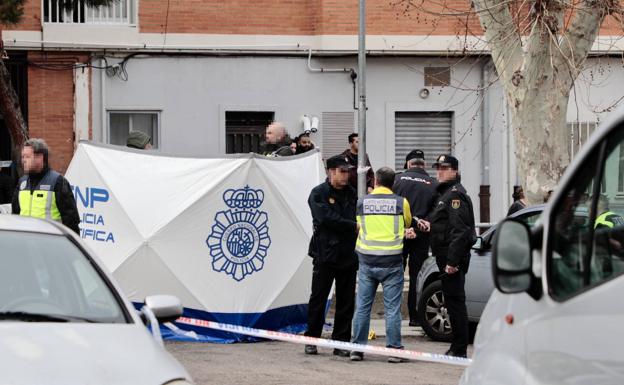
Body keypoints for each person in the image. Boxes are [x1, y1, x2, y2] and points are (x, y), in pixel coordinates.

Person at [350, 167, 419, 363]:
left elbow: (357, 226)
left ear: (377, 181)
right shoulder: (401, 202)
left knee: (362, 307)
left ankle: (356, 349)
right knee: (392, 309)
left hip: (367, 261)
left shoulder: (362, 202)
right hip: (391, 262)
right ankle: (394, 350)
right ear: (393, 183)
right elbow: (407, 223)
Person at [304, 154, 359, 357]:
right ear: (331, 171)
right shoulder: (318, 193)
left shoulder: (352, 193)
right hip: (325, 254)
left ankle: (341, 343)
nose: (346, 176)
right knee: (318, 299)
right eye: (342, 171)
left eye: (348, 172)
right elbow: (325, 218)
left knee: (346, 302)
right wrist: (352, 226)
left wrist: (353, 227)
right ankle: (311, 339)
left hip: (347, 254)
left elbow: (357, 216)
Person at [424, 154, 476, 358]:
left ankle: (459, 348)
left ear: (455, 171)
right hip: (444, 256)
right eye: (438, 168)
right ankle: (457, 346)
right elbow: (445, 226)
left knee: (455, 303)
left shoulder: (454, 196)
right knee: (452, 302)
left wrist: (452, 262)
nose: (440, 171)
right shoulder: (445, 194)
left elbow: (460, 231)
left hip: (450, 258)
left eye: (444, 168)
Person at [392, 149, 437, 326]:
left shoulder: (396, 180)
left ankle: (394, 316)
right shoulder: (433, 183)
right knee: (417, 276)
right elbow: (437, 211)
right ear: (423, 164)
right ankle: (415, 317)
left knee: (395, 276)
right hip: (421, 236)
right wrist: (420, 226)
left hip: (399, 235)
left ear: (407, 164)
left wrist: (404, 229)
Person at [11, 138, 80, 234]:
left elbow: (71, 220)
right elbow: (15, 216)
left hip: (50, 242)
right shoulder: (22, 183)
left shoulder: (57, 181)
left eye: (27, 157)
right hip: (26, 242)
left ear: (40, 158)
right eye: (23, 157)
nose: (23, 160)